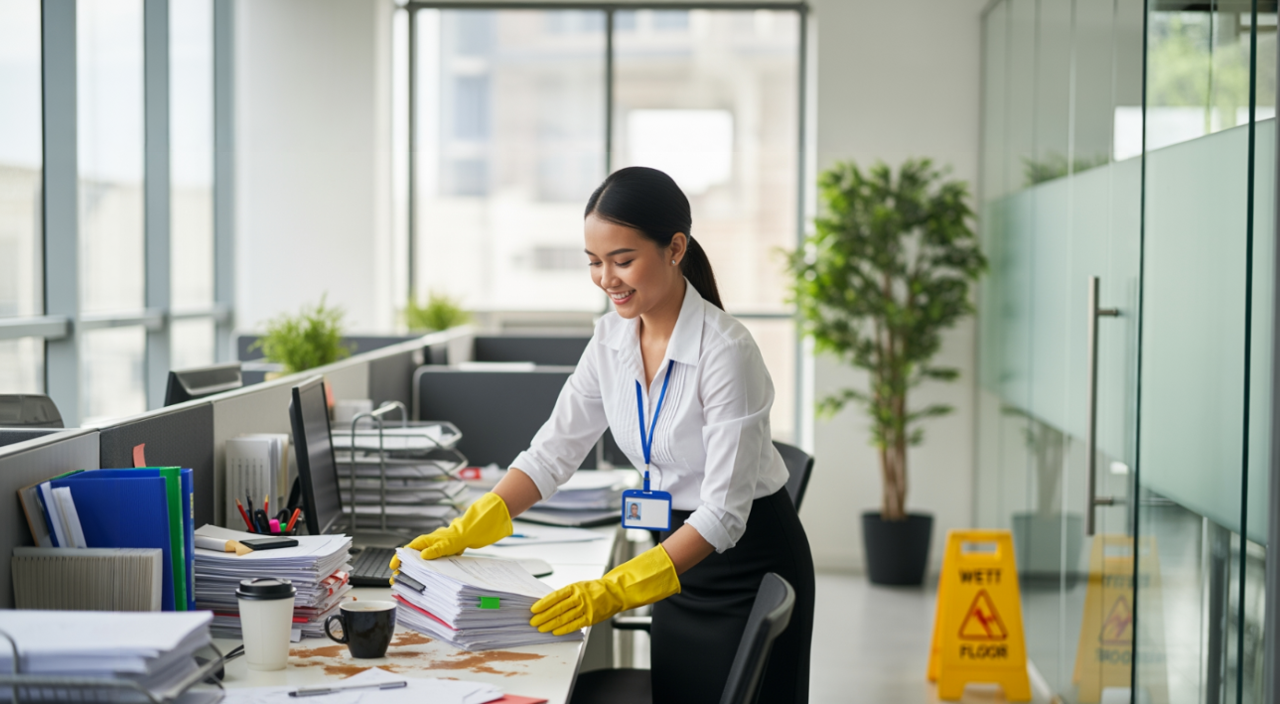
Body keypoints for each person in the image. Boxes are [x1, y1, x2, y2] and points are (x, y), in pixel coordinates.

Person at [390, 166, 814, 703]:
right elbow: (554, 451)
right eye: (594, 262)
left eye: (623, 260)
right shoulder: (611, 338)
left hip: (744, 564)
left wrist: (616, 588)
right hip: (673, 565)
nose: (606, 278)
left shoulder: (726, 351)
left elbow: (724, 515)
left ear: (675, 247)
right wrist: (473, 525)